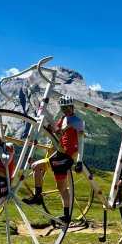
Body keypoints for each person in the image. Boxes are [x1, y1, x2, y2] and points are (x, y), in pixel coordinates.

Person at [22, 95, 84, 224]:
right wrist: (53, 128)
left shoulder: (78, 122)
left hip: (67, 157)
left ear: (72, 107)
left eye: (68, 107)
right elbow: (58, 131)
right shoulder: (63, 119)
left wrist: (79, 161)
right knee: (60, 186)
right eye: (63, 108)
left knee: (37, 168)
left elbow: (81, 142)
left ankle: (39, 197)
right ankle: (65, 215)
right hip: (60, 154)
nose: (66, 110)